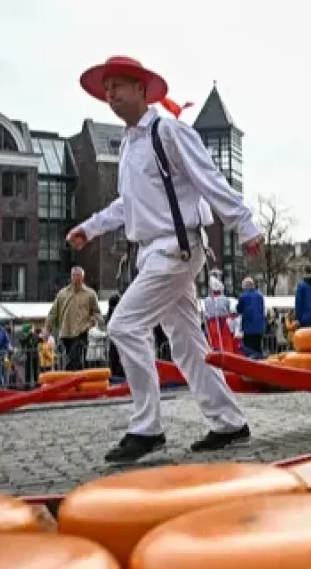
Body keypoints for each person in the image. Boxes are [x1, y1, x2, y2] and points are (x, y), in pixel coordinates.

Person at [67, 55, 258, 462]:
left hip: (175, 249)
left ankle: (146, 428)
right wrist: (91, 227)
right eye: (106, 89)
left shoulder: (168, 131)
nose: (110, 94)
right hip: (154, 252)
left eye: (118, 85)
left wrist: (245, 224)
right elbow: (128, 205)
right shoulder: (129, 147)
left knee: (124, 325)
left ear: (141, 89)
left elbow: (209, 177)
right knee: (186, 343)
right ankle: (229, 422)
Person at [47, 267, 102, 370]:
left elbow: (97, 312)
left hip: (81, 331)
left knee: (74, 358)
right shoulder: (62, 293)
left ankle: (67, 376)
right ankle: (76, 377)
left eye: (78, 275)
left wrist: (94, 320)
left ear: (82, 277)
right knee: (74, 360)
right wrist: (47, 328)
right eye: (74, 275)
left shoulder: (90, 294)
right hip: (65, 332)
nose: (76, 278)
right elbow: (53, 312)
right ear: (71, 277)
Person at [236, 277, 267, 357]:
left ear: (246, 286)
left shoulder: (243, 296)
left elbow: (239, 309)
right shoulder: (260, 296)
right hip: (260, 328)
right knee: (258, 348)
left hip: (249, 328)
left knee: (249, 350)